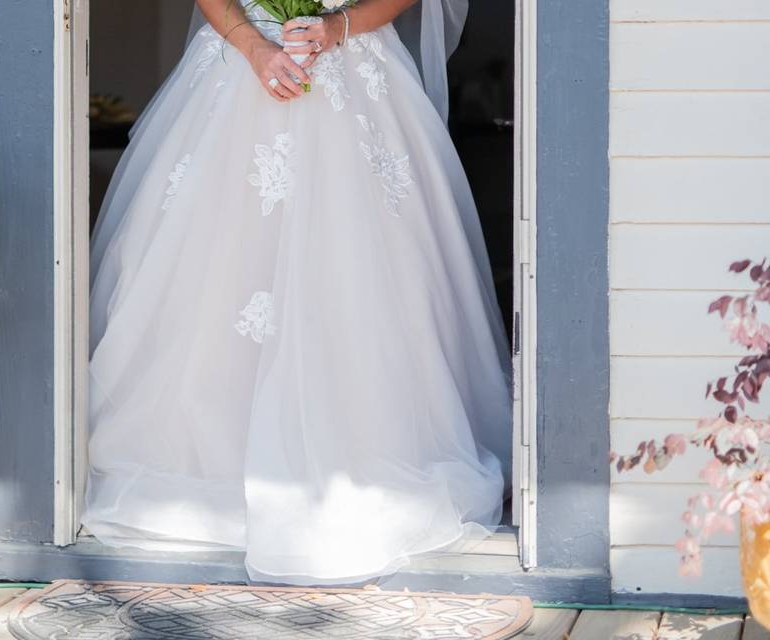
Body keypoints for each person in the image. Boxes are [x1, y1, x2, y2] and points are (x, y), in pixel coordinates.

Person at [81, 0, 514, 586]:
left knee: (365, 267)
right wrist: (254, 45)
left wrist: (337, 26)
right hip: (240, 65)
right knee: (215, 268)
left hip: (353, 68)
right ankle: (198, 461)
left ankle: (362, 454)